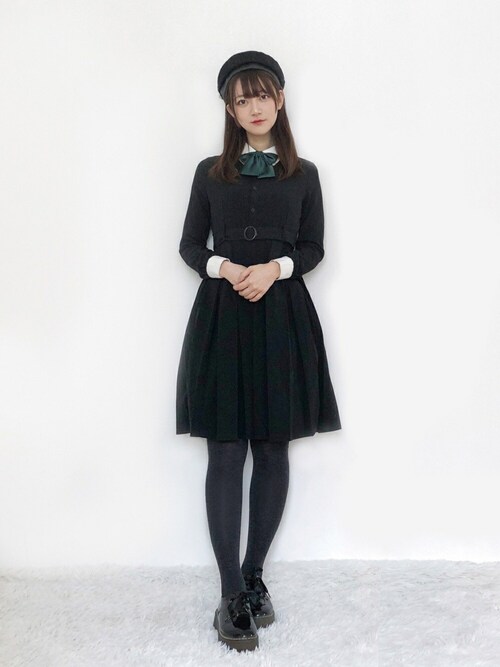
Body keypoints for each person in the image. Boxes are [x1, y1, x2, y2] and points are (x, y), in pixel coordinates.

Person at [176, 50, 342, 652]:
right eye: (242, 98)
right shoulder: (208, 172)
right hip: (222, 316)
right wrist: (224, 268)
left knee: (272, 448)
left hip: (282, 316)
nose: (254, 107)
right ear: (230, 108)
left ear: (280, 99)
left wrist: (275, 268)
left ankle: (253, 578)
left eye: (262, 95)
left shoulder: (305, 173)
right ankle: (228, 595)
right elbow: (190, 245)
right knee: (226, 451)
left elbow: (314, 247)